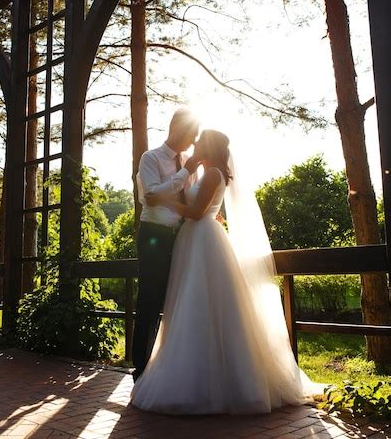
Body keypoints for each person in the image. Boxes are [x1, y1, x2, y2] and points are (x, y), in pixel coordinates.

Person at [131, 129, 323, 414]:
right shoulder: (205, 173)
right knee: (193, 304)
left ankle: (214, 381)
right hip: (195, 238)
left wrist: (163, 200)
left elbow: (196, 212)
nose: (194, 145)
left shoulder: (212, 174)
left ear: (209, 148)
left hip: (202, 237)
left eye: (200, 142)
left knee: (202, 301)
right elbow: (203, 206)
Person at [132, 108, 200, 382]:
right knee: (150, 299)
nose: (194, 141)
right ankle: (141, 369)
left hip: (182, 237)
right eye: (192, 134)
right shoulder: (151, 158)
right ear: (177, 129)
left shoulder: (188, 164)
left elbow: (186, 201)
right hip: (154, 236)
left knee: (178, 300)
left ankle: (169, 365)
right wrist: (184, 173)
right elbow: (151, 196)